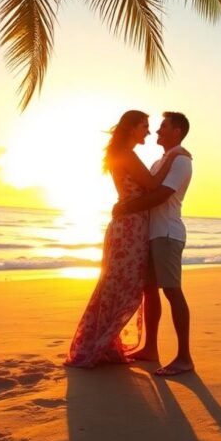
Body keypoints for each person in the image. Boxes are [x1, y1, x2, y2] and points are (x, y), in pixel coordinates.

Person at [65, 111, 187, 368]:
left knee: (124, 285)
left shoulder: (138, 156)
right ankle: (102, 341)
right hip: (131, 227)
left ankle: (110, 342)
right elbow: (153, 186)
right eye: (145, 126)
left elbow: (158, 191)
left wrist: (173, 155)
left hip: (143, 228)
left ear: (177, 132)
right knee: (122, 285)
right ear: (131, 128)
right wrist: (173, 154)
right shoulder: (131, 155)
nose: (151, 131)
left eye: (159, 126)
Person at [115, 112, 194, 377]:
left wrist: (126, 207)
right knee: (150, 291)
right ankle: (150, 348)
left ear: (177, 132)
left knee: (172, 291)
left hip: (168, 234)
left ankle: (184, 357)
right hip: (152, 234)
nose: (157, 131)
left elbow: (160, 196)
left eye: (163, 127)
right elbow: (147, 188)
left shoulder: (181, 160)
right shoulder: (161, 160)